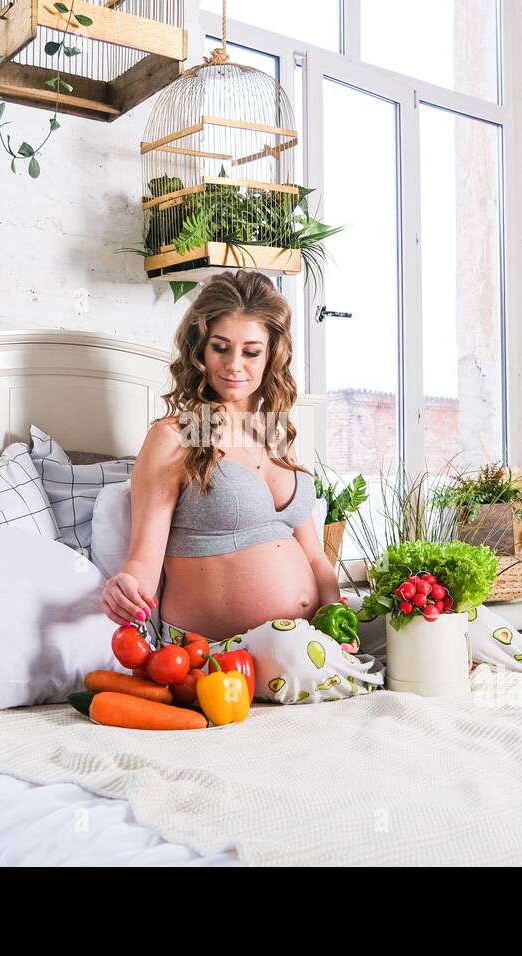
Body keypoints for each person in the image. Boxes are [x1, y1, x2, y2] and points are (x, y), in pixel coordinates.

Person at [100, 270, 380, 703]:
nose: (234, 366)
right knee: (293, 648)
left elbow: (314, 558)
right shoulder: (180, 435)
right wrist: (126, 586)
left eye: (251, 352)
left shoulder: (270, 432)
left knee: (431, 619)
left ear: (271, 356)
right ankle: (378, 675)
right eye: (220, 348)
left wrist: (335, 619)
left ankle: (382, 664)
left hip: (310, 636)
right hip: (226, 651)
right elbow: (144, 559)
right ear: (199, 350)